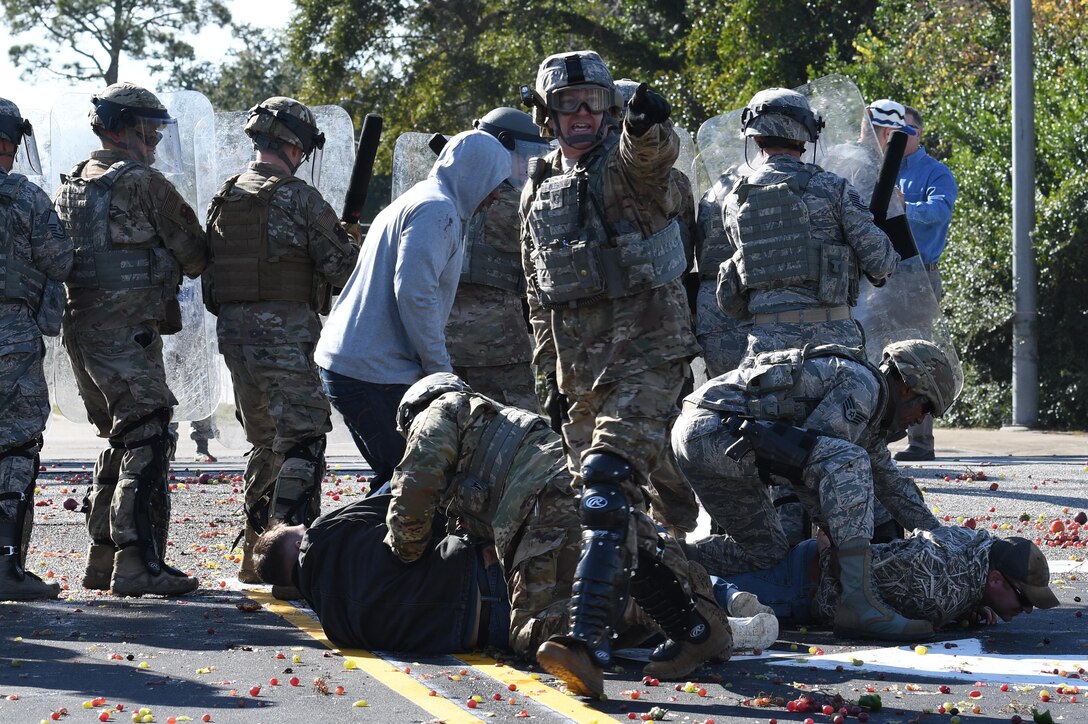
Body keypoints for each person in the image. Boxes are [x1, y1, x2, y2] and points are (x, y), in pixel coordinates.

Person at [520, 50, 726, 697]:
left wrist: (647, 127)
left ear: (609, 111)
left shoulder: (627, 170)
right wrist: (549, 383)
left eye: (593, 104)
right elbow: (536, 295)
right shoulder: (539, 184)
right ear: (548, 115)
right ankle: (695, 631)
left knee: (608, 485)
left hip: (649, 358)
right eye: (567, 105)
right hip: (580, 377)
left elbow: (652, 162)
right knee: (611, 516)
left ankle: (582, 644)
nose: (580, 116)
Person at [253, 490, 778, 656]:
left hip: (496, 632)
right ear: (295, 534)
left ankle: (719, 625)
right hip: (489, 574)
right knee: (609, 552)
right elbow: (410, 494)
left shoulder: (336, 625)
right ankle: (724, 603)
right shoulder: (328, 531)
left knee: (600, 618)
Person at [672, 339, 960, 641]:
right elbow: (814, 470)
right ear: (906, 387)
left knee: (766, 553)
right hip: (716, 431)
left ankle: (659, 555)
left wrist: (948, 546)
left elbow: (894, 489)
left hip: (705, 435)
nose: (920, 420)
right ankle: (859, 604)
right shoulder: (863, 387)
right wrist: (838, 543)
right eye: (925, 407)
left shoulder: (871, 424)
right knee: (849, 460)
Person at [55, 82, 206, 597]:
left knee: (122, 438)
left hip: (83, 335)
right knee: (147, 436)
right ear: (124, 129)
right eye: (149, 131)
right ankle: (137, 562)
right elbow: (196, 252)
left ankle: (102, 558)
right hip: (128, 335)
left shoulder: (72, 184)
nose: (156, 143)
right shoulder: (145, 184)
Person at [203, 97, 360, 589]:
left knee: (265, 442)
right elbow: (342, 268)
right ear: (295, 144)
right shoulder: (298, 198)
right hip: (287, 334)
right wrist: (351, 240)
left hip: (236, 336)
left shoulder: (226, 195)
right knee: (304, 438)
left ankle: (255, 554)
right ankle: (291, 557)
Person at [316, 130, 511, 491]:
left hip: (357, 364)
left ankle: (365, 545)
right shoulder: (438, 209)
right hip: (371, 372)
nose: (496, 195)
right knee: (417, 483)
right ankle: (340, 544)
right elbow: (414, 292)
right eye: (493, 183)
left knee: (397, 479)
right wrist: (440, 373)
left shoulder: (421, 199)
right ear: (474, 175)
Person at [715, 88, 899, 359]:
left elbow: (739, 290)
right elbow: (880, 263)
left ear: (754, 135)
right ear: (807, 133)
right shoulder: (833, 188)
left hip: (766, 351)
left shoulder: (734, 201)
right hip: (834, 347)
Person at [0, 97, 73, 600]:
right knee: (16, 445)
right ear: (8, 143)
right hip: (12, 335)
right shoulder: (26, 198)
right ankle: (5, 566)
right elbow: (61, 260)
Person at [724, 528, 1058, 630]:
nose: (1026, 610)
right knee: (690, 585)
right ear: (996, 579)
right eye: (1024, 599)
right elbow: (847, 581)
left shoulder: (978, 543)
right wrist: (828, 552)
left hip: (803, 567)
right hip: (797, 585)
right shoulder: (938, 592)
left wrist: (969, 605)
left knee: (697, 557)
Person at [445, 108, 547, 410]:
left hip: (440, 347)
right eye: (523, 155)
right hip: (500, 349)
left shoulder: (445, 194)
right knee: (520, 437)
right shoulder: (521, 204)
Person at [888, 103, 958, 462]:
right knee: (871, 352)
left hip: (919, 277)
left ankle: (920, 443)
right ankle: (872, 439)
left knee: (915, 357)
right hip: (879, 275)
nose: (899, 138)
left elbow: (939, 212)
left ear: (920, 134)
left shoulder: (936, 172)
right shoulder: (875, 169)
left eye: (907, 132)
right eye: (892, 132)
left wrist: (903, 207)